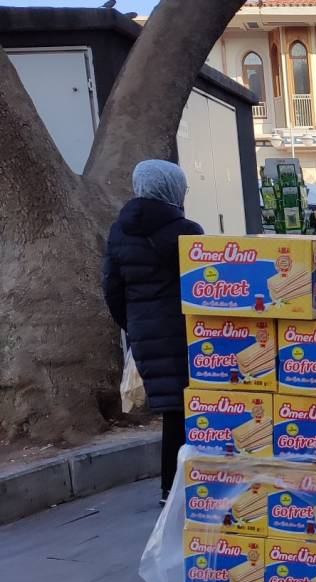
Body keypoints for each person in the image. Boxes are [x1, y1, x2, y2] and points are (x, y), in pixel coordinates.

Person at [101, 159, 203, 505]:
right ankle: (183, 488)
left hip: (144, 333)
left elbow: (111, 288)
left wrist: (135, 326)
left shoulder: (119, 230)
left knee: (174, 410)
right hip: (185, 332)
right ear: (172, 188)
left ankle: (168, 489)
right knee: (191, 407)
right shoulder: (185, 230)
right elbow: (203, 285)